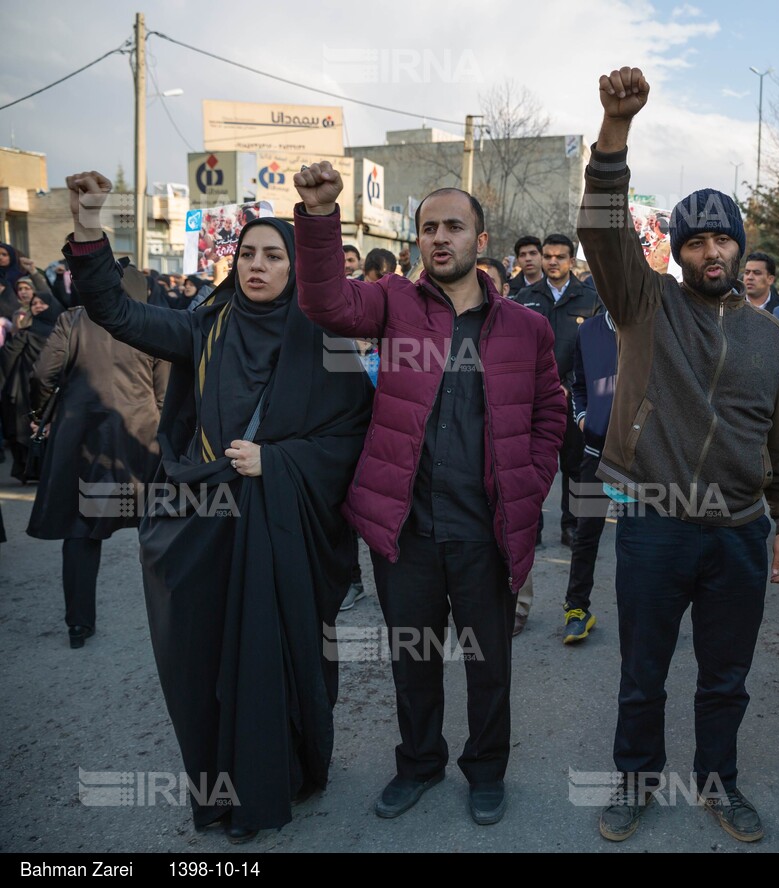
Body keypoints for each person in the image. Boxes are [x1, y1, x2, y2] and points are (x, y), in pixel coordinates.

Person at [62, 169, 373, 845]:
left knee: (271, 659)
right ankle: (219, 790)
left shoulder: (326, 342)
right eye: (248, 254)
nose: (257, 266)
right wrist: (91, 227)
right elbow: (116, 312)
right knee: (200, 663)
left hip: (281, 527)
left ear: (297, 267)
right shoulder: (205, 326)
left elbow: (350, 437)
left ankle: (272, 784)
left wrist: (279, 461)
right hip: (200, 524)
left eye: (274, 255)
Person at [292, 162, 564, 827]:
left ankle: (486, 771)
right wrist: (322, 215)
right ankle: (418, 764)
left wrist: (527, 481)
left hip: (485, 532)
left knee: (488, 666)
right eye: (428, 228)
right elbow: (326, 303)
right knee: (413, 661)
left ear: (481, 237)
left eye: (453, 226)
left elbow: (550, 414)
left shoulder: (526, 330)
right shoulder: (391, 302)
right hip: (405, 531)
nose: (439, 238)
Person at [579, 65, 779, 845]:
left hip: (740, 531)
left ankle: (720, 783)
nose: (712, 250)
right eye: (696, 239)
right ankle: (635, 781)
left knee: (727, 680)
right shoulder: (643, 304)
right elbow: (603, 232)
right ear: (678, 251)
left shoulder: (771, 336)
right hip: (655, 525)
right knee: (643, 677)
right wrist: (616, 131)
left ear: (742, 247)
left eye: (723, 237)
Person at [26, 264, 169, 649]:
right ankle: (170, 616)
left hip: (80, 435)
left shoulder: (72, 319)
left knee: (81, 528)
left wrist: (41, 415)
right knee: (154, 524)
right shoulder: (151, 322)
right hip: (139, 436)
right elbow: (165, 393)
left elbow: (43, 375)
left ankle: (78, 624)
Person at [513, 233, 600, 552]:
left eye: (559, 256)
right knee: (530, 464)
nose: (551, 261)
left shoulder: (590, 298)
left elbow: (596, 351)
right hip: (534, 398)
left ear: (571, 261)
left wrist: (568, 381)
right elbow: (518, 347)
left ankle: (571, 526)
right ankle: (530, 528)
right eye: (547, 255)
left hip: (573, 398)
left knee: (575, 466)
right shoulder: (525, 296)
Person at [561, 306, 618, 644]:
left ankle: (649, 612)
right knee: (586, 533)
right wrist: (584, 419)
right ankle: (577, 609)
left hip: (647, 460)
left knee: (646, 538)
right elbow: (579, 384)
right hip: (596, 454)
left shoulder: (658, 321)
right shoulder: (589, 330)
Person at [1, 284, 62, 480]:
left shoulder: (61, 333)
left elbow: (7, 357)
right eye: (34, 303)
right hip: (27, 389)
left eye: (42, 303)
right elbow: (8, 357)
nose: (37, 306)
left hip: (45, 389)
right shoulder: (31, 332)